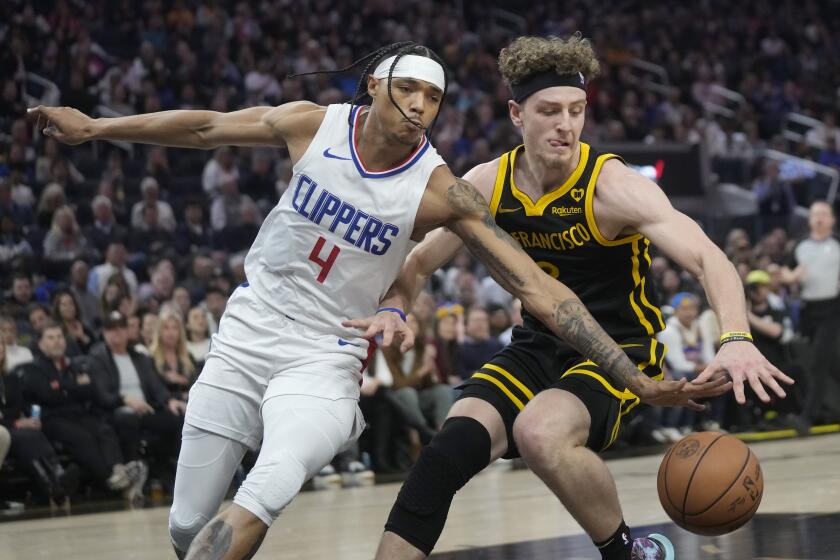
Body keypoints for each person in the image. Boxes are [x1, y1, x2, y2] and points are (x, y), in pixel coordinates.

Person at [29, 41, 723, 560]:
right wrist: (96, 128)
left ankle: (619, 544)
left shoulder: (442, 189)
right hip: (247, 330)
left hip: (327, 353)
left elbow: (540, 289)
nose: (419, 107)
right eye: (407, 91)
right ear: (374, 87)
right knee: (187, 529)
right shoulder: (311, 125)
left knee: (271, 481)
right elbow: (204, 128)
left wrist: (635, 376)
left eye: (433, 98)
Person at [358, 34, 792, 560]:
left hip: (620, 348)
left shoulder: (613, 185)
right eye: (550, 110)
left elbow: (708, 257)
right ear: (517, 113)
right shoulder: (487, 183)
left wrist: (737, 337)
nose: (566, 124)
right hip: (537, 347)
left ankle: (627, 552)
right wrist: (394, 305)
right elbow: (419, 262)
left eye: (577, 110)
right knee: (446, 451)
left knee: (541, 432)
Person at [783, 201, 840, 423]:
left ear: (832, 220)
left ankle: (808, 417)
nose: (819, 218)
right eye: (815, 214)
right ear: (809, 220)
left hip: (833, 308)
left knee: (818, 362)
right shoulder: (800, 246)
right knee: (833, 363)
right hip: (809, 311)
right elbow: (783, 271)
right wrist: (791, 277)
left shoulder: (837, 244)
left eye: (824, 214)